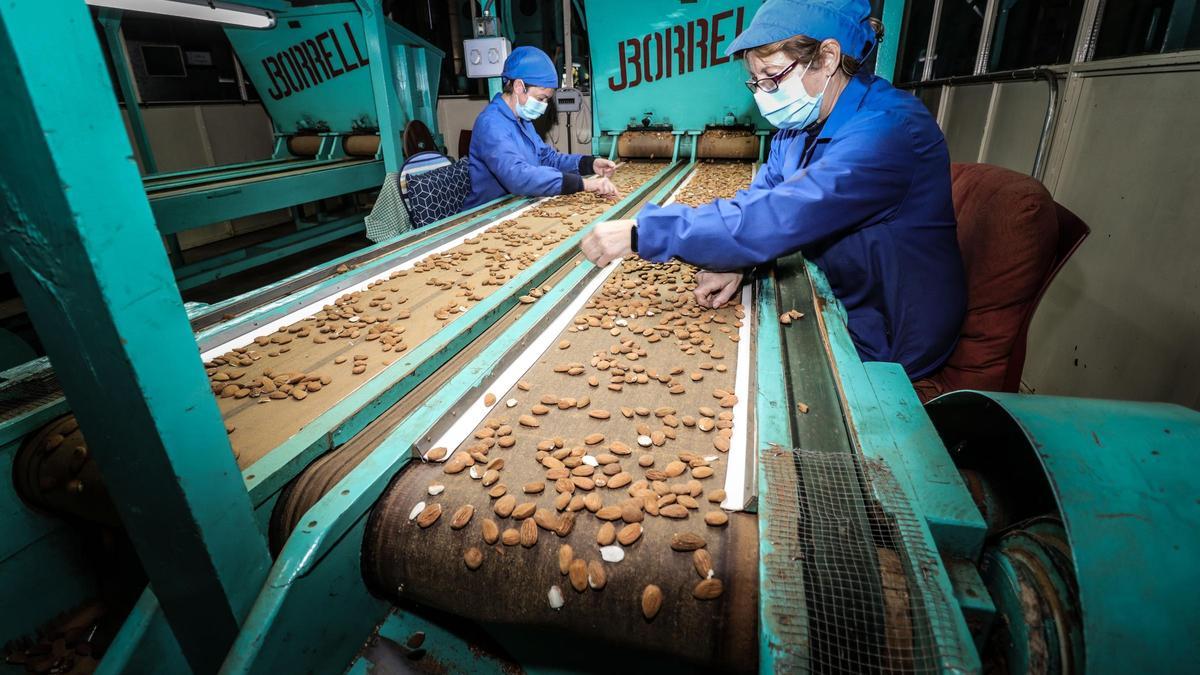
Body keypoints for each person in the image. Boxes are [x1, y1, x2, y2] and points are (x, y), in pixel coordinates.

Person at [580, 0, 965, 381]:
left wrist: (644, 232)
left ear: (828, 57)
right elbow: (759, 199)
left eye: (773, 77)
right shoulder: (798, 129)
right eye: (756, 81)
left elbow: (782, 214)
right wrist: (739, 261)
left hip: (885, 331)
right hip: (836, 293)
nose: (763, 93)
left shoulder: (888, 131)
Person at [462, 46, 618, 210]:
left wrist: (589, 164)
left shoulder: (523, 120)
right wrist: (585, 184)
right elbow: (518, 177)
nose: (543, 107)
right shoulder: (491, 124)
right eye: (540, 98)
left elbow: (547, 158)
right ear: (518, 87)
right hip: (486, 214)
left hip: (517, 205)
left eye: (547, 101)